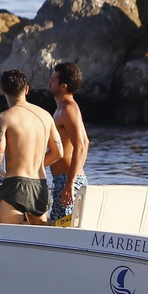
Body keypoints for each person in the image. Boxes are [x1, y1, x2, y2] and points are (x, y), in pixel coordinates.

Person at [0, 68, 62, 224]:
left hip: (15, 185)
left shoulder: (2, 118)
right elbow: (58, 152)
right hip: (39, 184)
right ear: (26, 89)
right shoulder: (45, 115)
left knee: (10, 239)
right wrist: (36, 164)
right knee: (38, 239)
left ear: (3, 90)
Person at [47, 61, 89, 226]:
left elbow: (80, 145)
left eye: (53, 79)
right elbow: (86, 142)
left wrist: (71, 182)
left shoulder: (68, 110)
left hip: (67, 181)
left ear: (63, 86)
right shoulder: (63, 108)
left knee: (61, 230)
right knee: (56, 225)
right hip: (63, 180)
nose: (50, 82)